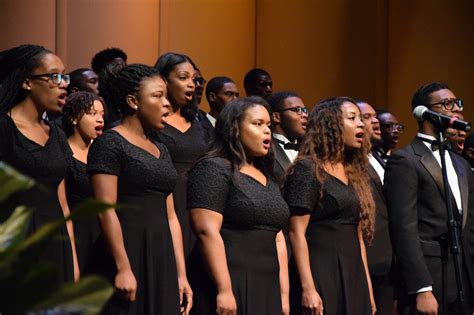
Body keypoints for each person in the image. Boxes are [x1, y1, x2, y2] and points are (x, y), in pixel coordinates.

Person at [87, 64, 192, 314]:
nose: (166, 103)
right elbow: (105, 210)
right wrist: (123, 268)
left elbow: (171, 216)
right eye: (157, 96)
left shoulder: (161, 149)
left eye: (166, 95)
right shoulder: (110, 143)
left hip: (161, 254)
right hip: (127, 252)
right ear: (133, 101)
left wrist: (181, 274)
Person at [187, 96, 290, 315]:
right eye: (257, 124)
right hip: (232, 280)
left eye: (269, 126)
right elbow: (207, 230)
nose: (267, 131)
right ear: (234, 128)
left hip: (267, 285)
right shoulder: (214, 168)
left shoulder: (268, 177)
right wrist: (224, 289)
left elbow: (278, 237)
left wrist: (283, 295)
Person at [384, 82, 473, 314]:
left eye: (457, 103)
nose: (456, 109)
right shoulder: (405, 160)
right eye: (447, 104)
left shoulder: (461, 163)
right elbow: (404, 229)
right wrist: (421, 288)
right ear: (424, 113)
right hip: (431, 280)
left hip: (463, 278)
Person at [285, 96, 376, 315]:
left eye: (361, 119)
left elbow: (358, 237)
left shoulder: (354, 172)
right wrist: (308, 288)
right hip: (321, 272)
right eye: (352, 118)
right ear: (331, 125)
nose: (361, 124)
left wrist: (368, 291)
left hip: (353, 273)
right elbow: (296, 232)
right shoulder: (308, 169)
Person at [0, 44, 79, 284]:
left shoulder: (56, 134)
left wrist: (73, 260)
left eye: (64, 76)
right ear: (27, 82)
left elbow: (63, 203)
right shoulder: (4, 128)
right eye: (54, 76)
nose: (63, 83)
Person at [153, 52, 207, 257]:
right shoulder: (154, 124)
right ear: (164, 81)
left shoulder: (198, 123)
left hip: (197, 203)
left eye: (194, 79)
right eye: (184, 78)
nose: (192, 85)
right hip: (167, 204)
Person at [358, 101, 395, 315]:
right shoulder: (351, 161)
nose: (375, 121)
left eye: (375, 116)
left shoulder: (378, 157)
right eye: (367, 117)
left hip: (387, 260)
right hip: (369, 259)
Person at [62, 91, 104, 273]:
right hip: (78, 235)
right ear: (73, 118)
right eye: (92, 113)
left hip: (103, 234)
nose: (100, 119)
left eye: (102, 114)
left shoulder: (105, 153)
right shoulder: (63, 153)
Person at [267, 91, 308, 184]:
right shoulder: (266, 150)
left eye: (304, 110)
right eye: (296, 110)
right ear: (276, 117)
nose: (304, 115)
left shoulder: (310, 149)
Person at [91, 48, 128, 129]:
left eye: (124, 66)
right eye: (117, 67)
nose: (123, 72)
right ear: (103, 71)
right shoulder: (95, 102)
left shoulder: (125, 98)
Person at [200, 76, 239, 142]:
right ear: (212, 97)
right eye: (229, 94)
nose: (235, 99)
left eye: (237, 95)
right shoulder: (199, 129)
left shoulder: (237, 128)